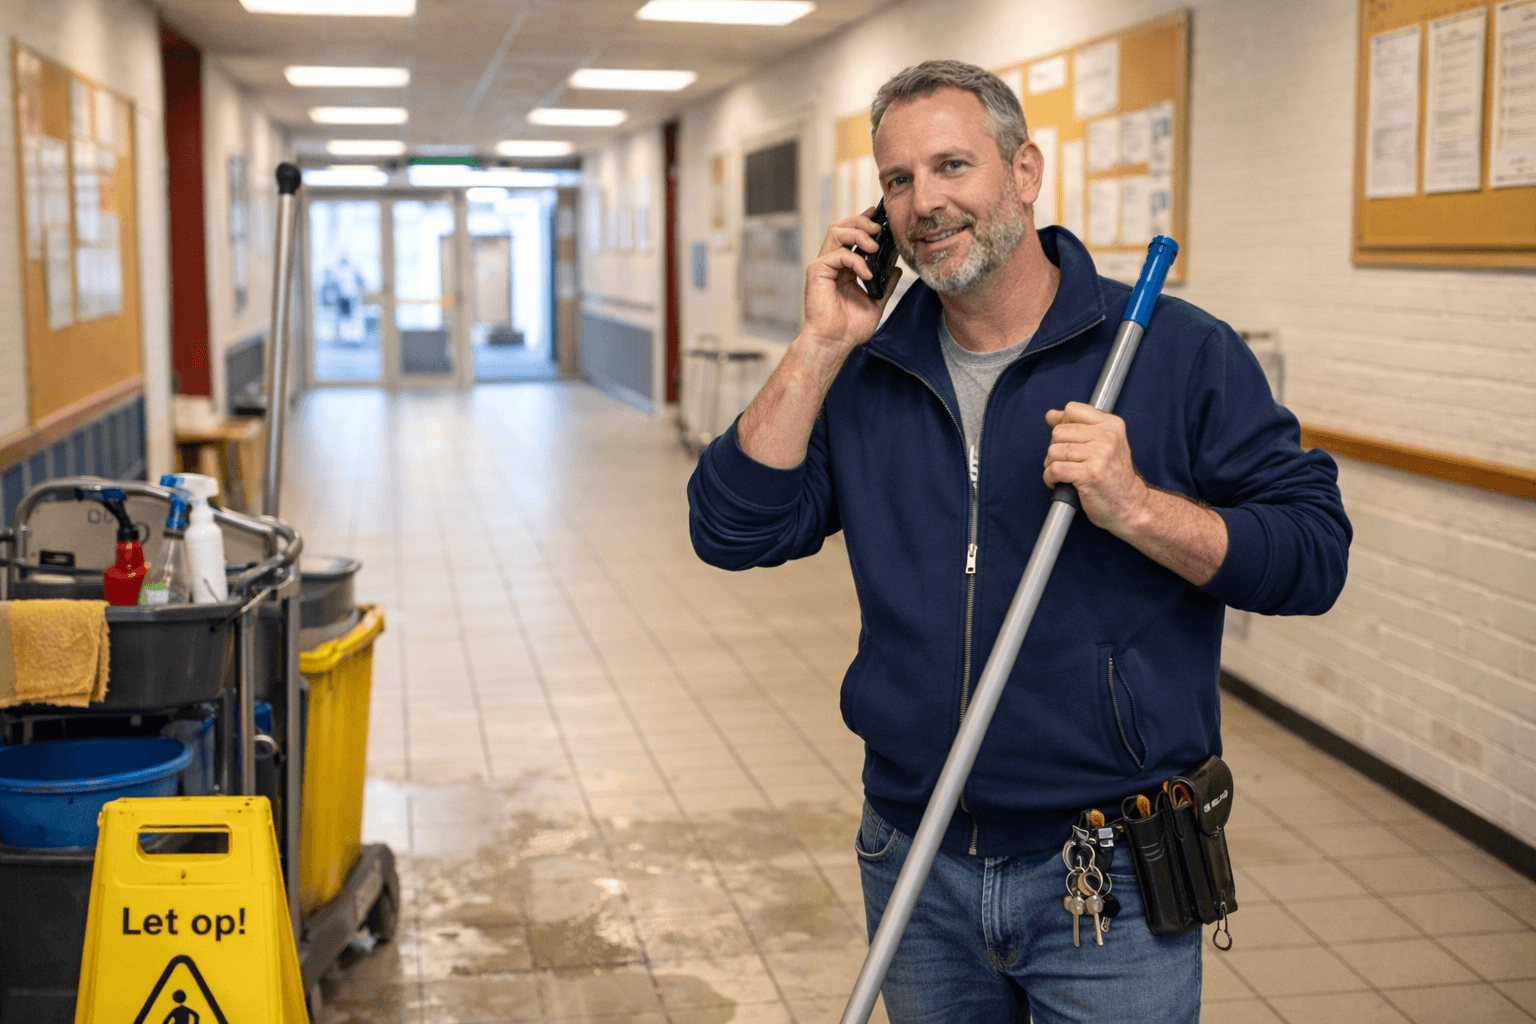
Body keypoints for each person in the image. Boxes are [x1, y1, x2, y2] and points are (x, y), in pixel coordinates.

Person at [687, 60, 1350, 1023]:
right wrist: (823, 344)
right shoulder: (870, 372)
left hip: (1110, 871)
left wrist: (1135, 505)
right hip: (913, 852)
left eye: (953, 165)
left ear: (1025, 172)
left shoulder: (1175, 351)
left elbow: (1312, 553)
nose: (925, 203)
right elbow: (729, 528)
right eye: (898, 180)